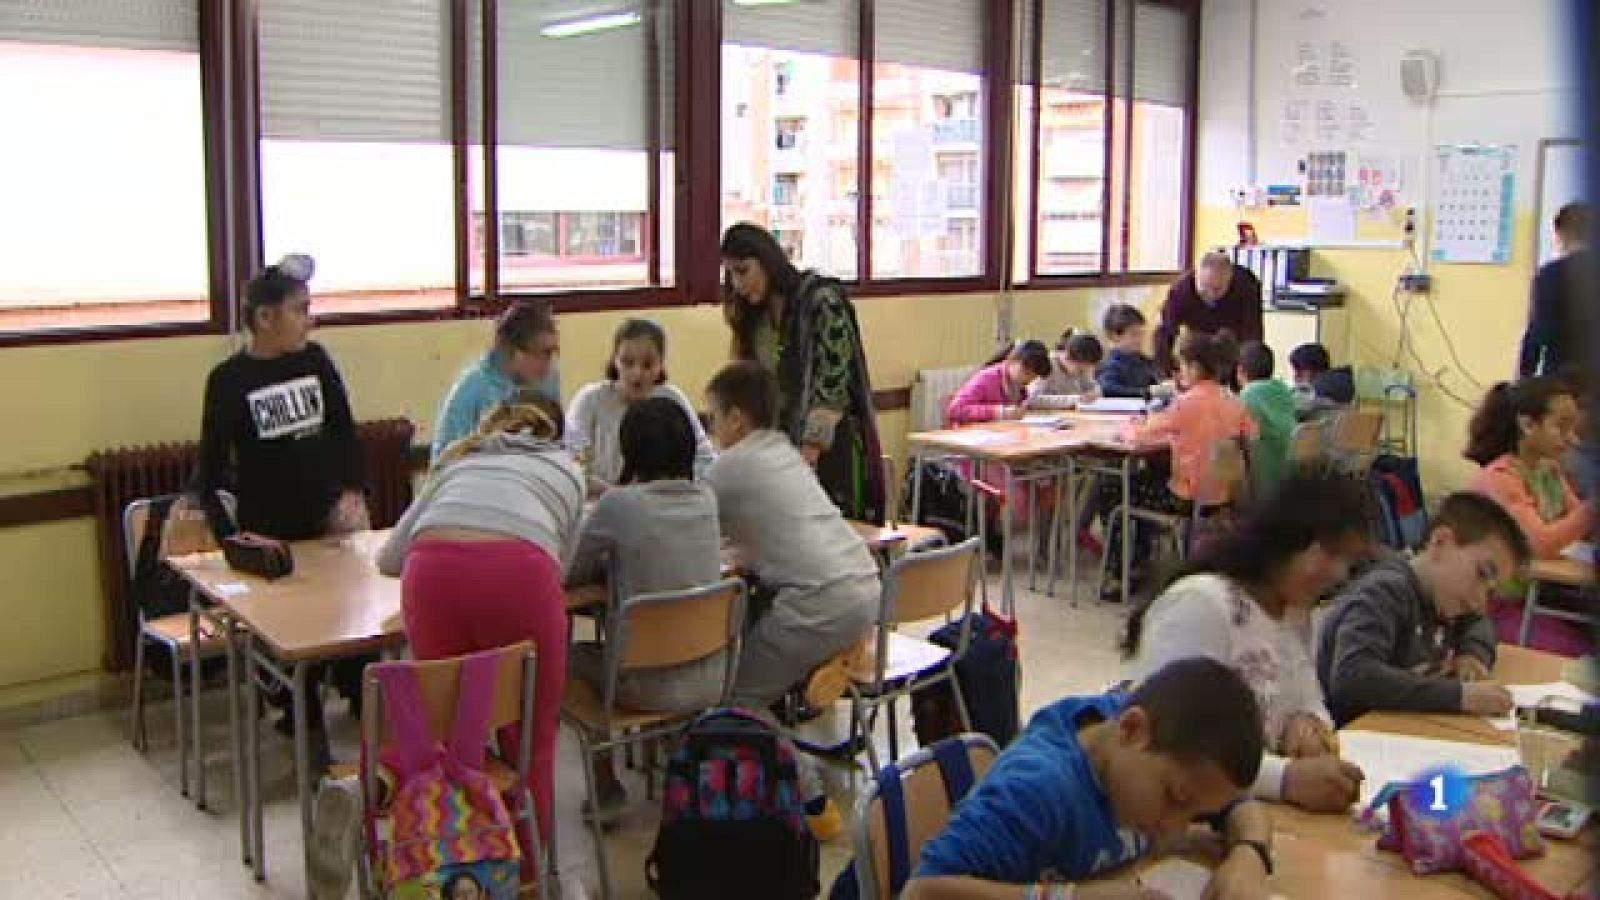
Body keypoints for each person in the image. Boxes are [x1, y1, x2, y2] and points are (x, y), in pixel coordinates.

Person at [377, 392, 585, 864]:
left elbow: (390, 559)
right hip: (523, 575)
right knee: (531, 739)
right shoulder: (567, 469)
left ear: (491, 428)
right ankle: (529, 872)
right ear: (554, 437)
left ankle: (456, 863)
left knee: (447, 730)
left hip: (432, 575)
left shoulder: (458, 462)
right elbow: (563, 566)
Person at [191, 253, 369, 767]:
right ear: (265, 317)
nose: (310, 320)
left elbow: (344, 432)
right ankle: (307, 734)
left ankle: (364, 714)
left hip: (328, 523)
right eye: (300, 309)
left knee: (353, 629)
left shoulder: (317, 361)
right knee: (296, 641)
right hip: (271, 531)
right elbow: (211, 466)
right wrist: (229, 537)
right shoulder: (228, 380)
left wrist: (353, 493)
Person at [904, 657, 1274, 900]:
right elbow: (920, 891)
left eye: (1194, 814)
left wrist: (1249, 853)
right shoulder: (1038, 791)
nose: (1176, 828)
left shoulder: (1130, 733)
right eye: (1175, 799)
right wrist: (1071, 896)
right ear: (1131, 729)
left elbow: (1234, 800)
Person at [1122, 470, 1373, 814]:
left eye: (1348, 562)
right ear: (1288, 539)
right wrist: (1285, 779)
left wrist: (1306, 725)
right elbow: (1172, 746)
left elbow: (1310, 699)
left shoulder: (1294, 614)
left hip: (1258, 811)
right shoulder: (1202, 604)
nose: (1339, 574)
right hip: (1187, 815)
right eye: (1329, 553)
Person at [565, 396, 725, 822]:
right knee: (647, 643)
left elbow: (569, 572)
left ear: (630, 451)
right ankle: (675, 753)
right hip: (713, 677)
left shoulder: (620, 505)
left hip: (646, 685)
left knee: (567, 660)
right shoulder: (707, 499)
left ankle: (605, 790)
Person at [701, 362, 879, 709]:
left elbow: (686, 528)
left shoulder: (727, 469)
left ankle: (749, 735)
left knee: (731, 697)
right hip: (866, 591)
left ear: (735, 418)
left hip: (819, 605)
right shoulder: (786, 452)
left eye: (714, 418)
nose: (712, 430)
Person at [721, 222, 886, 522]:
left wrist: (809, 451)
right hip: (782, 447)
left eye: (743, 271)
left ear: (767, 261)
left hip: (833, 449)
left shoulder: (821, 301)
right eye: (730, 274)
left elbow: (833, 384)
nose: (737, 284)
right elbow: (750, 386)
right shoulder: (755, 318)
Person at [1317, 492, 1528, 726]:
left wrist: (1472, 654)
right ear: (1440, 542)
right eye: (1482, 574)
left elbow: (1480, 622)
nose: (1480, 601)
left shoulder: (1446, 597)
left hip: (1407, 728)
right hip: (1355, 736)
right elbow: (1353, 677)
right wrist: (1459, 696)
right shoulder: (1386, 591)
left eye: (1491, 592)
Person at [1100, 332, 1258, 597]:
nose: (1179, 372)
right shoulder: (1233, 400)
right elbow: (1251, 437)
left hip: (1186, 497)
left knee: (1114, 489)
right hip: (1222, 494)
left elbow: (1141, 434)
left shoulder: (1187, 403)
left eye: (1181, 365)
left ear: (1194, 367)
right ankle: (1141, 561)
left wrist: (1131, 426)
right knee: (1147, 480)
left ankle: (1124, 572)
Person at [565, 318, 714, 495]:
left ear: (661, 364)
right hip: (597, 501)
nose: (637, 373)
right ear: (615, 360)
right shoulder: (590, 399)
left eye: (647, 365)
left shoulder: (671, 399)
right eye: (627, 362)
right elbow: (571, 459)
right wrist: (612, 494)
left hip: (662, 500)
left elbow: (704, 456)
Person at [1466, 378, 1593, 560]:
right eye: (1562, 426)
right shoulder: (1501, 478)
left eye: (1573, 429)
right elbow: (1538, 545)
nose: (1573, 439)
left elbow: (1581, 525)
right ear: (1528, 425)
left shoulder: (1548, 471)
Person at [432, 300, 561, 463]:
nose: (549, 363)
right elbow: (442, 463)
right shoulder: (471, 389)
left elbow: (556, 441)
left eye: (553, 353)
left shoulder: (548, 379)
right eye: (543, 353)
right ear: (513, 351)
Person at [1153, 250, 1263, 377]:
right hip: (1200, 343)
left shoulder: (1246, 285)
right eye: (1205, 288)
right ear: (1196, 276)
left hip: (1233, 342)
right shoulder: (1180, 291)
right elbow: (1166, 333)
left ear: (1229, 279)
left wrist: (1251, 374)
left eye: (1217, 289)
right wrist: (1166, 373)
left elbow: (1253, 333)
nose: (1210, 295)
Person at [1519, 202, 1592, 379]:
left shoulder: (1550, 275)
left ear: (1560, 234)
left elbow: (1540, 332)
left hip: (1562, 378)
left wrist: (1524, 378)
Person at [946, 340, 1053, 424]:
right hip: (972, 437)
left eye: (1034, 376)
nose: (1028, 379)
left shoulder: (1017, 385)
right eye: (1026, 372)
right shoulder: (987, 377)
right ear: (1013, 360)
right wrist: (999, 412)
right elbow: (955, 409)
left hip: (999, 434)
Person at [1236, 341, 1296, 492]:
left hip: (1261, 479)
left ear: (1240, 371)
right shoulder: (1284, 391)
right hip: (1289, 477)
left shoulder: (1246, 396)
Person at [1028, 329, 1104, 409]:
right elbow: (1032, 399)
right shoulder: (1046, 365)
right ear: (1068, 358)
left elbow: (1094, 387)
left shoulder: (1082, 367)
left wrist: (1094, 393)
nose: (1083, 372)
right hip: (1048, 414)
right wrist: (1075, 399)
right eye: (1080, 369)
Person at [1097, 304, 1160, 399]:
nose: (1140, 339)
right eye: (1134, 334)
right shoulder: (1110, 365)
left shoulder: (1143, 360)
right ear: (1115, 336)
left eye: (1142, 333)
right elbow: (1108, 389)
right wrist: (1146, 392)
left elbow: (1153, 382)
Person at [1287, 343, 1355, 418]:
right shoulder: (1338, 380)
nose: (1296, 375)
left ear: (1313, 367)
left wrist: (1301, 386)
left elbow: (1295, 408)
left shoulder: (1323, 385)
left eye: (1299, 370)